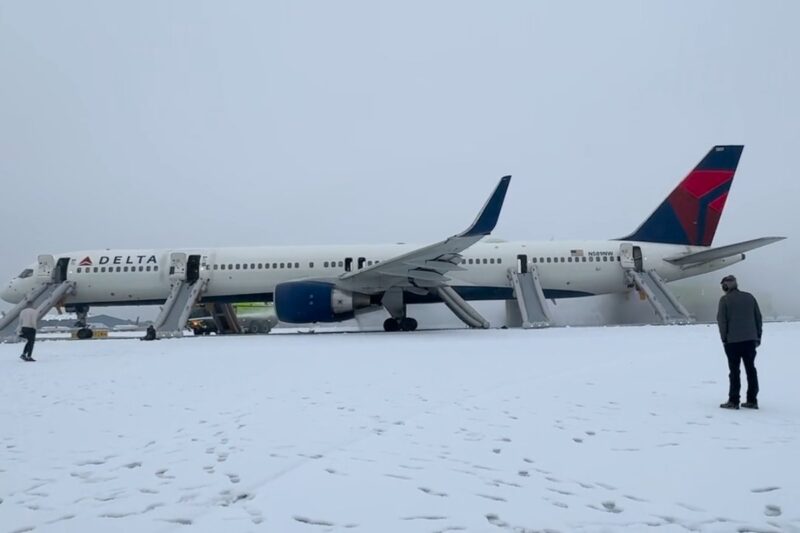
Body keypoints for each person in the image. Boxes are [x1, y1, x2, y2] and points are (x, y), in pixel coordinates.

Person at [717, 275, 762, 409]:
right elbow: (758, 318)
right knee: (751, 369)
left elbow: (722, 321)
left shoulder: (724, 300)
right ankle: (752, 400)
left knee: (734, 371)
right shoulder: (750, 297)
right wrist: (758, 336)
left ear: (725, 286)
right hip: (750, 340)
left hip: (733, 342)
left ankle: (734, 400)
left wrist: (724, 338)